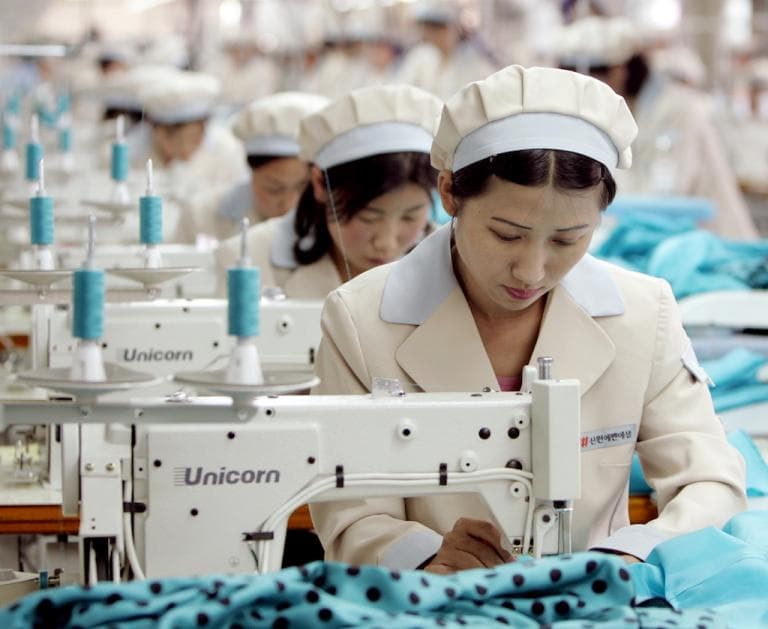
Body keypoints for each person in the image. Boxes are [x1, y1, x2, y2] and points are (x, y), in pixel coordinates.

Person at [309, 65, 747, 573]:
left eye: (567, 239)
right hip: (431, 601)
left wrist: (638, 551)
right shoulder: (361, 321)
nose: (532, 270)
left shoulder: (643, 315)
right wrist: (423, 556)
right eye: (507, 235)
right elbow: (351, 512)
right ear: (449, 193)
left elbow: (710, 480)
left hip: (598, 596)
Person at [216, 84, 441, 299]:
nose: (386, 242)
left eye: (410, 216)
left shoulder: (449, 264)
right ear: (320, 183)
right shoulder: (250, 262)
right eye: (369, 217)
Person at [556, 16, 759, 240]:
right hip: (657, 237)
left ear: (620, 70)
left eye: (592, 77)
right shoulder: (615, 112)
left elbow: (667, 191)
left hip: (708, 240)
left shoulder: (676, 109)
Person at [186, 92, 329, 242]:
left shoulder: (337, 226)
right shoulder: (200, 217)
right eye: (274, 189)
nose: (289, 205)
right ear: (251, 173)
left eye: (304, 188)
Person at [139, 70, 246, 217]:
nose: (185, 148)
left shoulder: (228, 153)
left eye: (194, 139)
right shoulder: (140, 150)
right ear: (158, 133)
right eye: (177, 141)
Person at [396, 2, 497, 100]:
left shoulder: (475, 63)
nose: (434, 34)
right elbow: (400, 92)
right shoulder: (421, 56)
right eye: (429, 28)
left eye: (440, 28)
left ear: (456, 28)